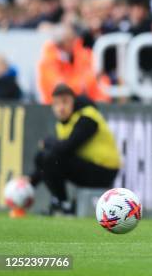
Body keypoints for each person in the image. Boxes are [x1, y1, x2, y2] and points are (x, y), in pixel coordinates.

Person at [29, 83, 121, 215]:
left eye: (65, 102)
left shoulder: (87, 117)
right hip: (89, 167)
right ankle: (60, 202)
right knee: (43, 156)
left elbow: (67, 147)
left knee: (50, 157)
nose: (61, 108)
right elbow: (59, 151)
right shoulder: (63, 123)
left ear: (74, 101)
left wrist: (48, 142)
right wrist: (31, 181)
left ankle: (63, 204)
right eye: (56, 104)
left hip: (104, 171)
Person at [36, 24, 110, 104]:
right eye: (70, 40)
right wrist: (83, 84)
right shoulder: (48, 62)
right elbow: (61, 89)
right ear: (60, 44)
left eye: (73, 38)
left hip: (88, 105)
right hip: (57, 109)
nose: (75, 42)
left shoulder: (84, 54)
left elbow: (100, 79)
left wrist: (102, 100)